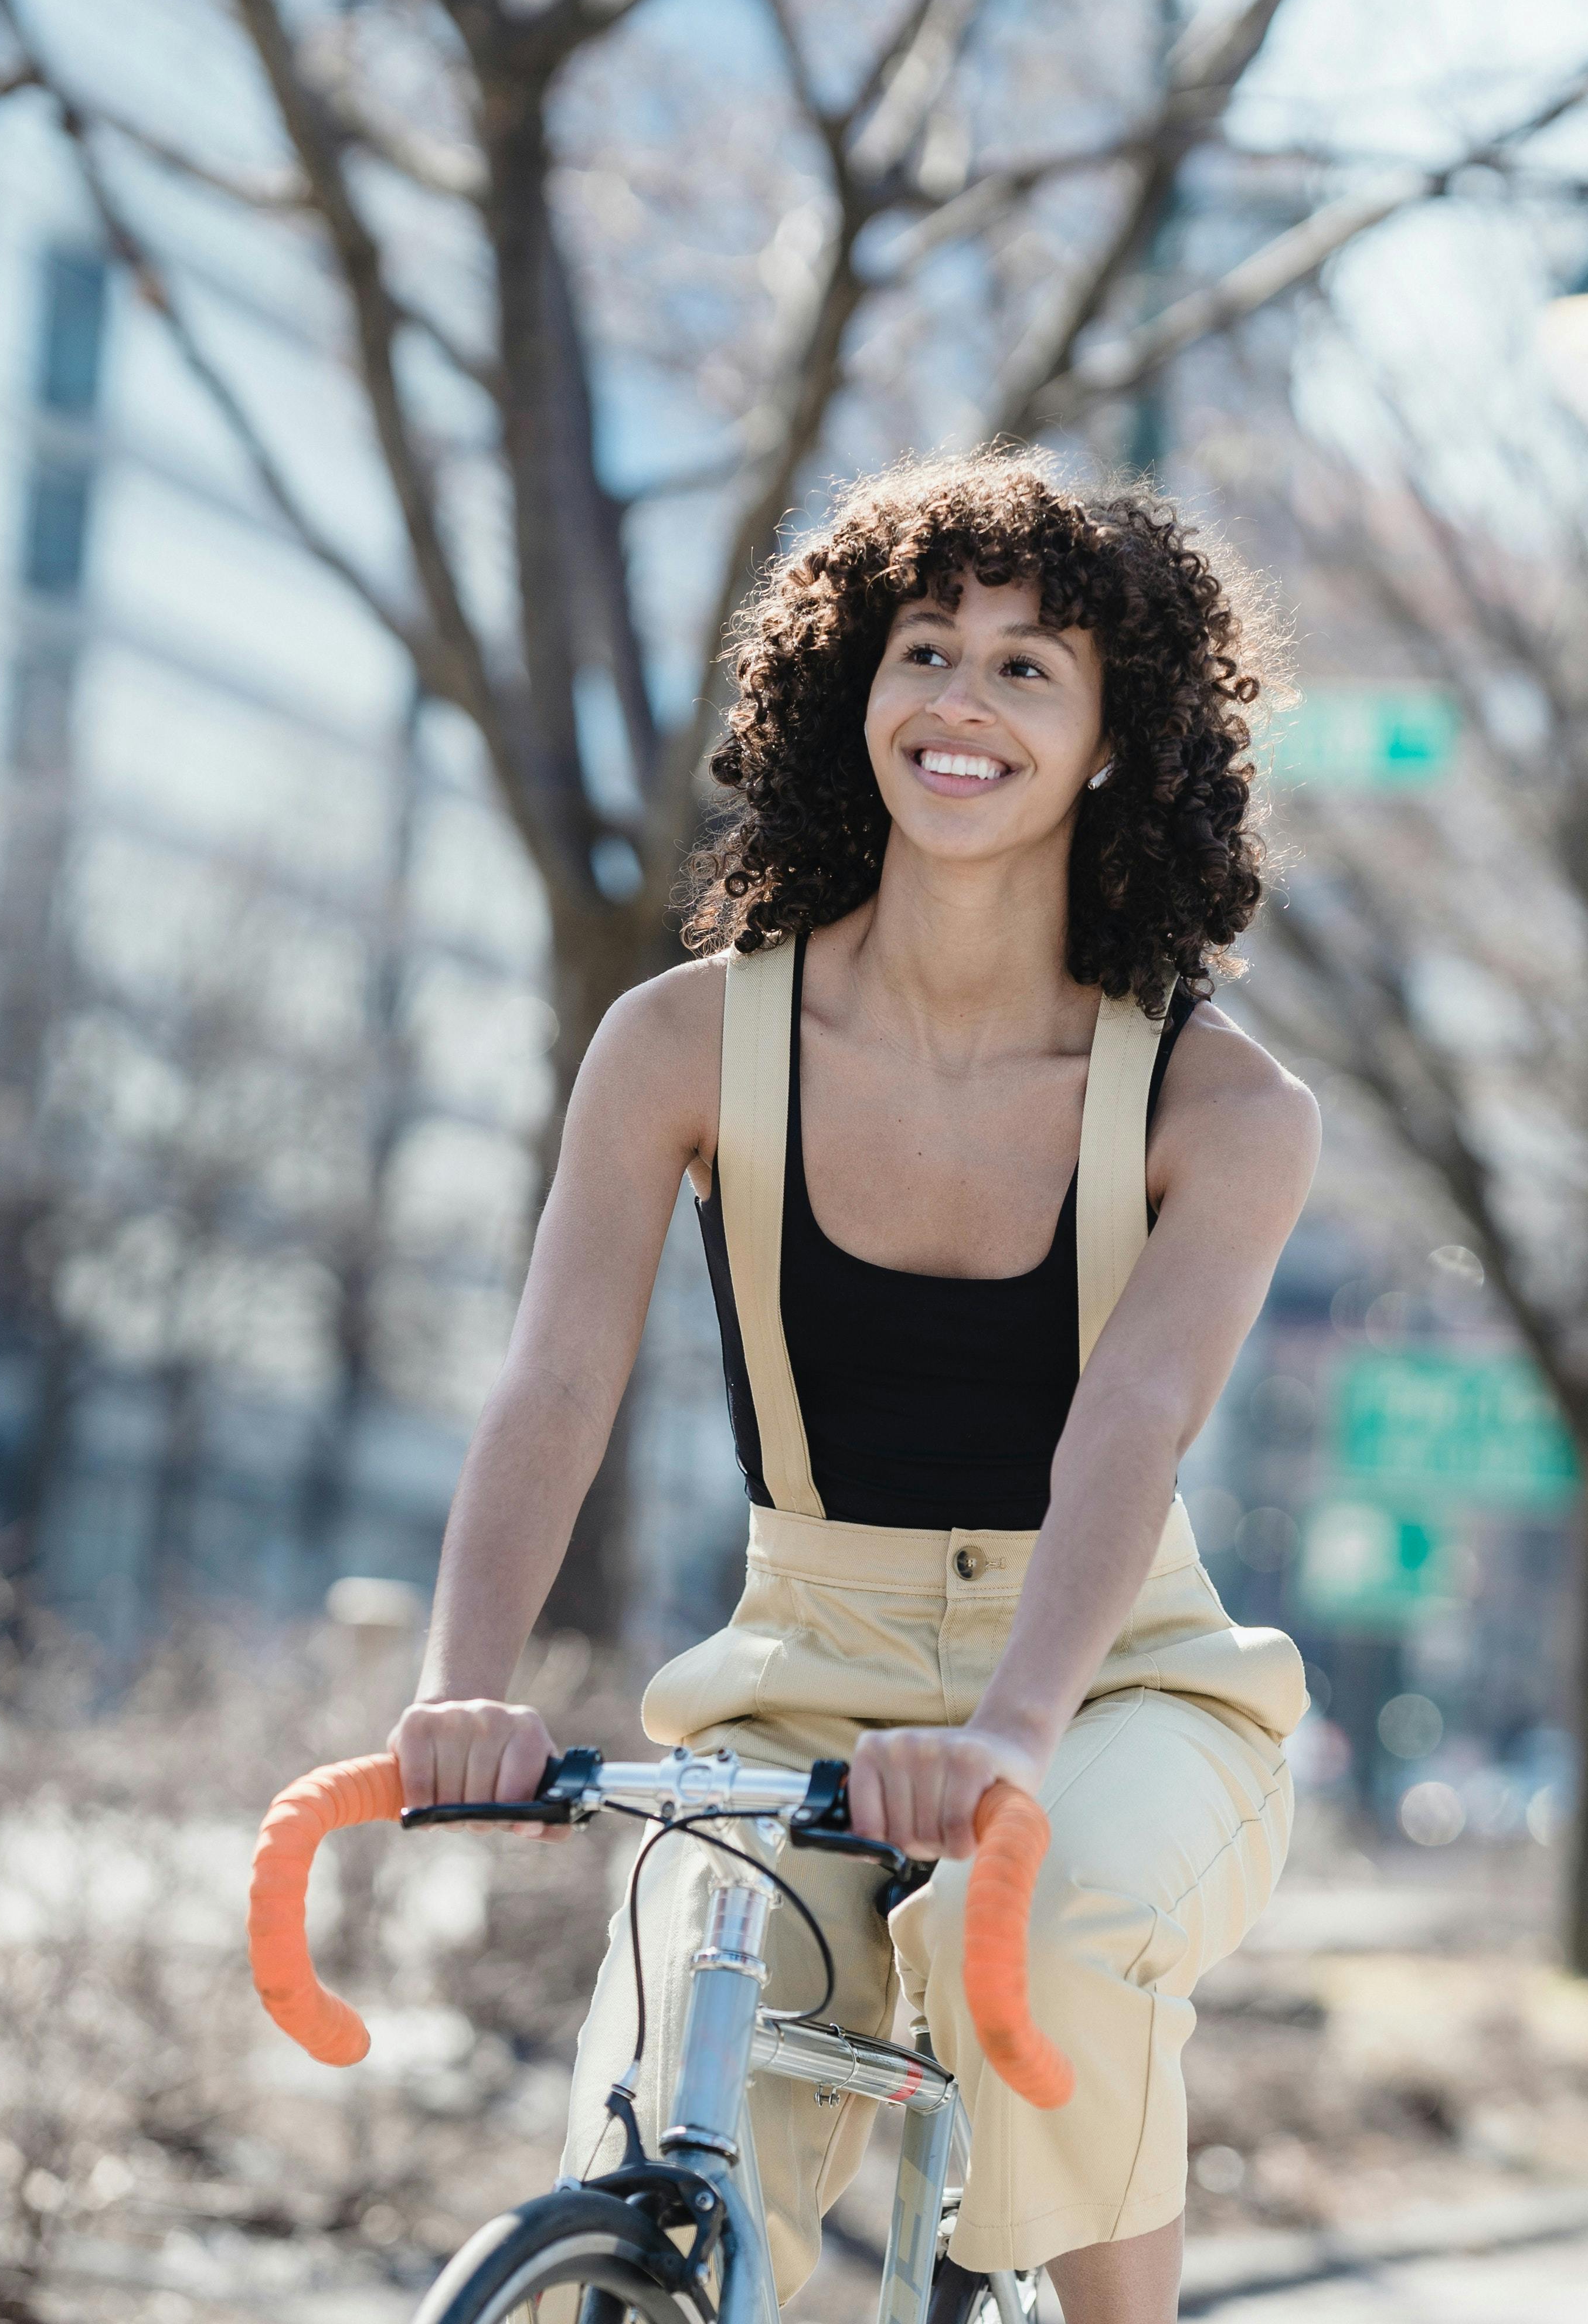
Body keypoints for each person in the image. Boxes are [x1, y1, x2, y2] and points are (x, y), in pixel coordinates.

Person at [390, 451, 1317, 2322]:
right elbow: (554, 1385)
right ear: (853, 691)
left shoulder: (1226, 1111)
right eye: (924, 652)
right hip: (800, 1668)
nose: (961, 702)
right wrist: (463, 1686)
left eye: (1028, 668)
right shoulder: (678, 1043)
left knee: (1052, 1951)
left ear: (1119, 741)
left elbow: (1127, 1430)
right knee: (668, 2049)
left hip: (1119, 1676)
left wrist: (1016, 1741)